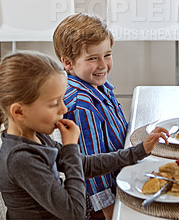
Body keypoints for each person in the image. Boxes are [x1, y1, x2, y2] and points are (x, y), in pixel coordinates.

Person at [0, 51, 168, 220]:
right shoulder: (21, 158)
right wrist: (70, 146)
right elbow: (74, 212)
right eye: (54, 103)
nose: (64, 108)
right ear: (19, 112)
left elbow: (84, 164)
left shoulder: (36, 137)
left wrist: (140, 150)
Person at [52, 13, 125, 220]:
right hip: (101, 204)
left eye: (107, 55)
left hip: (118, 177)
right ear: (68, 63)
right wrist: (108, 209)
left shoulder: (99, 86)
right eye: (93, 58)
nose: (103, 65)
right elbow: (90, 165)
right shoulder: (82, 105)